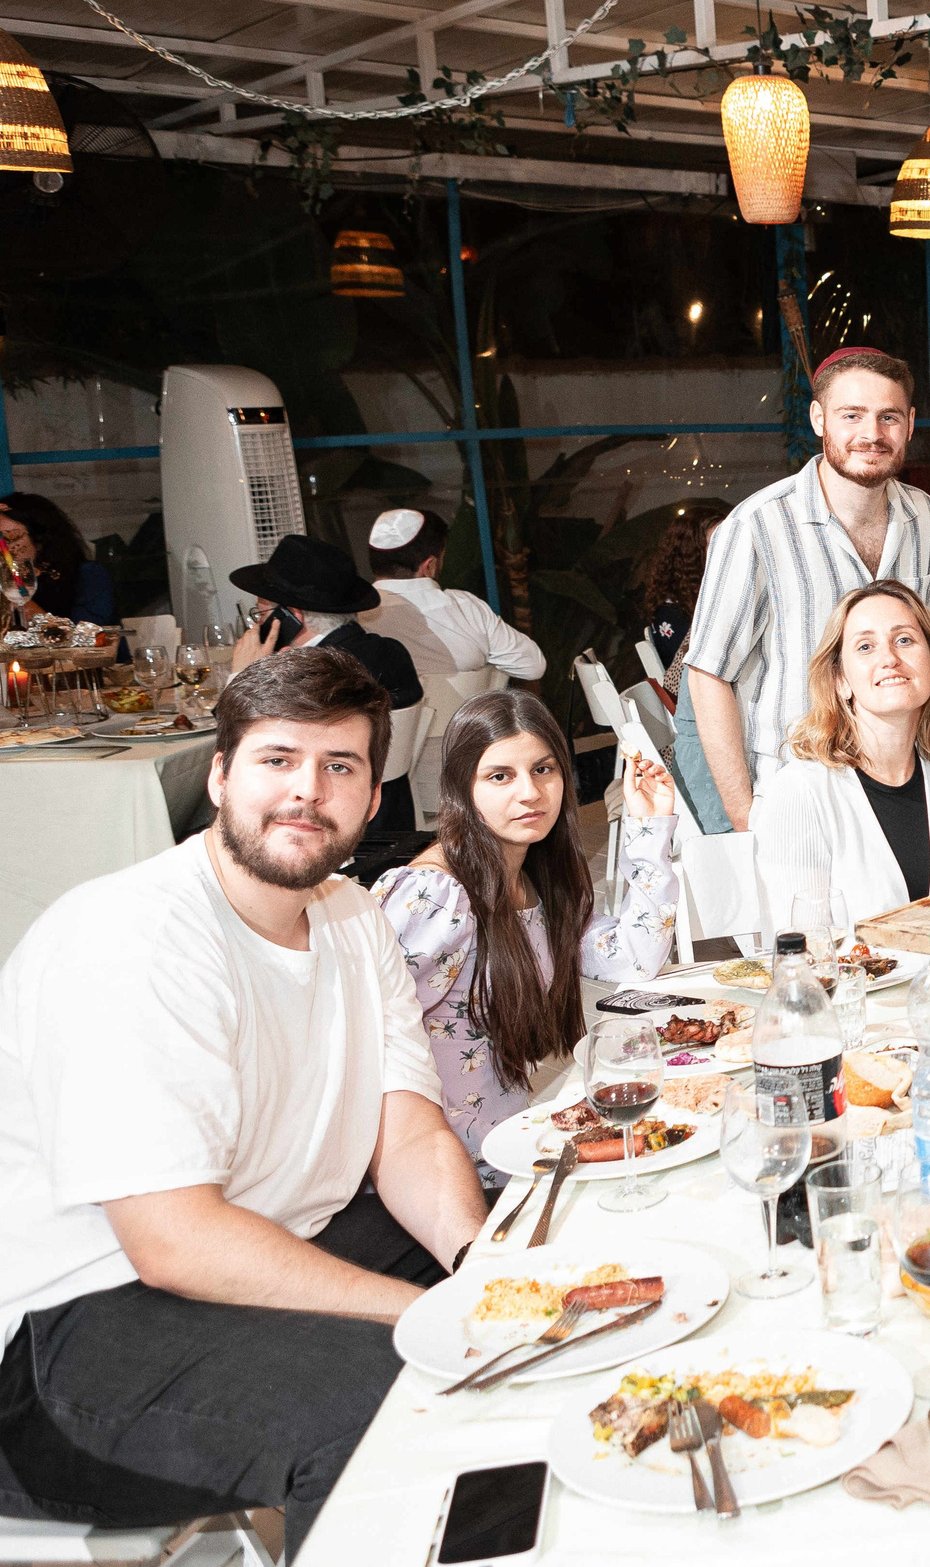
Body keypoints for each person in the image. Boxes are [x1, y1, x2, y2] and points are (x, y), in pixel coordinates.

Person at [0, 650, 485, 1555]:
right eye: (277, 760)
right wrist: (428, 1316)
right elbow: (173, 1240)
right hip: (62, 1333)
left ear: (373, 799)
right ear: (219, 776)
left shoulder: (350, 914)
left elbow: (408, 1135)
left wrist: (484, 1270)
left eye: (339, 766)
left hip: (259, 1245)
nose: (308, 790)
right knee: (391, 1395)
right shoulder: (133, 938)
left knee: (533, 1280)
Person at [371, 690, 682, 1176]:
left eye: (544, 769)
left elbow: (632, 960)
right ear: (461, 788)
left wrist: (650, 830)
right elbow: (364, 1041)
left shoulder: (537, 882)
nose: (530, 793)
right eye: (500, 776)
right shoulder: (437, 897)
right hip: (444, 1176)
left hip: (509, 1148)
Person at [687, 347, 930, 832]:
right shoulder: (757, 525)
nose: (871, 434)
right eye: (851, 415)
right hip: (797, 791)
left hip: (906, 784)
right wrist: (744, 816)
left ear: (911, 424)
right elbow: (709, 675)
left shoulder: (926, 519)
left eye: (888, 417)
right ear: (818, 418)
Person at [753, 580, 930, 924]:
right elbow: (805, 947)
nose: (889, 658)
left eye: (904, 640)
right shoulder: (800, 791)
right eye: (866, 647)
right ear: (841, 680)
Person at [231, 533, 425, 838]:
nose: (257, 625)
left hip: (325, 825)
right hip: (393, 820)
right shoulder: (390, 650)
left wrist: (242, 675)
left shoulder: (312, 674)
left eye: (262, 612)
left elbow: (235, 745)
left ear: (291, 616)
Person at [363, 506, 546, 682]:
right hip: (463, 712)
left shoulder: (354, 618)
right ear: (430, 566)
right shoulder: (465, 607)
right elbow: (533, 666)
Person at [640, 499, 733, 695]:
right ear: (692, 553)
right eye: (715, 544)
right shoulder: (671, 612)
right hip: (697, 699)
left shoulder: (686, 599)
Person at [0, 492, 116, 625]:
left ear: (40, 541)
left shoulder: (88, 575)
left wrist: (28, 608)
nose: (4, 548)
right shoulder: (3, 583)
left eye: (12, 537)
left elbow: (90, 632)